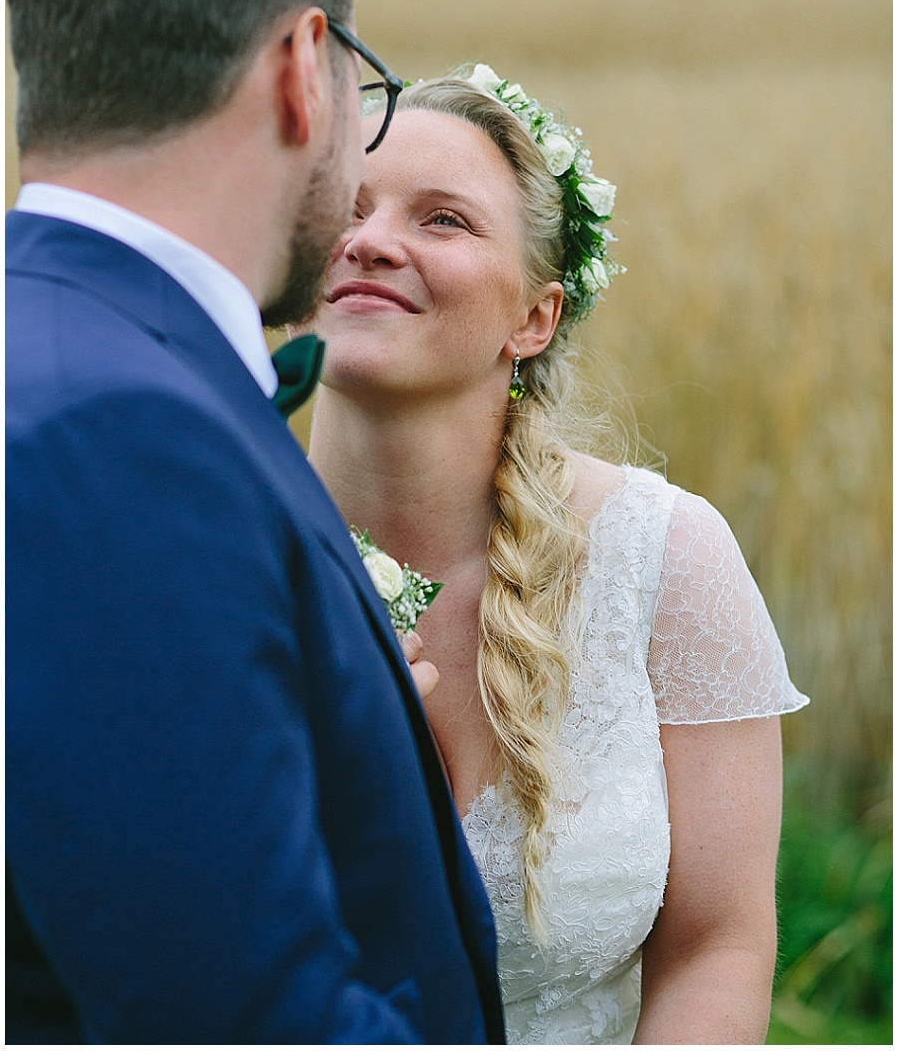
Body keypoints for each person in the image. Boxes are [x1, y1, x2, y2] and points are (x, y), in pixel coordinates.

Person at [6, 0, 505, 1045]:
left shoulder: (59, 349)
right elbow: (243, 1009)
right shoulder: (121, 435)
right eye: (362, 94)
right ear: (300, 64)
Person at [305, 64, 810, 1045]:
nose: (370, 241)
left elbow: (718, 942)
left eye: (442, 219)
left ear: (534, 317)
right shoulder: (203, 553)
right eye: (344, 207)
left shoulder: (666, 559)